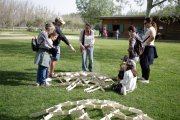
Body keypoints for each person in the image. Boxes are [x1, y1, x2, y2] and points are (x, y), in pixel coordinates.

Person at [139, 17, 158, 83]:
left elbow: (152, 37)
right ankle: (143, 76)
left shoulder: (151, 28)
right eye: (144, 23)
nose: (144, 24)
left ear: (149, 22)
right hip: (145, 47)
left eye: (145, 23)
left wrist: (146, 43)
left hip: (148, 47)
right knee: (142, 62)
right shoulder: (149, 29)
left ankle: (146, 79)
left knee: (146, 63)